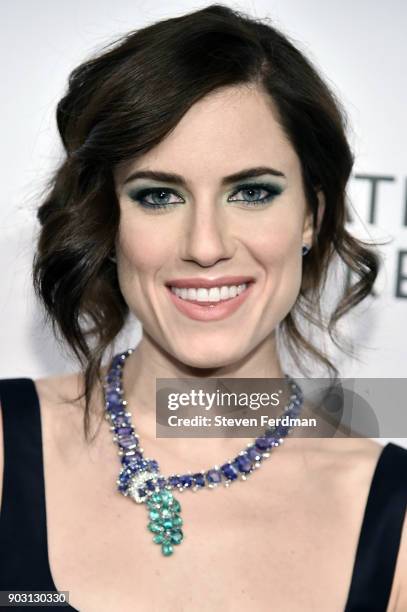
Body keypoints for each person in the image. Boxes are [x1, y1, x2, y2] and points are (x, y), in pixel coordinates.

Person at [0, 4, 406, 611]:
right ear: (110, 223)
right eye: (159, 195)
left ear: (311, 217)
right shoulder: (7, 448)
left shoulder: (395, 525)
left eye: (252, 192)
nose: (206, 246)